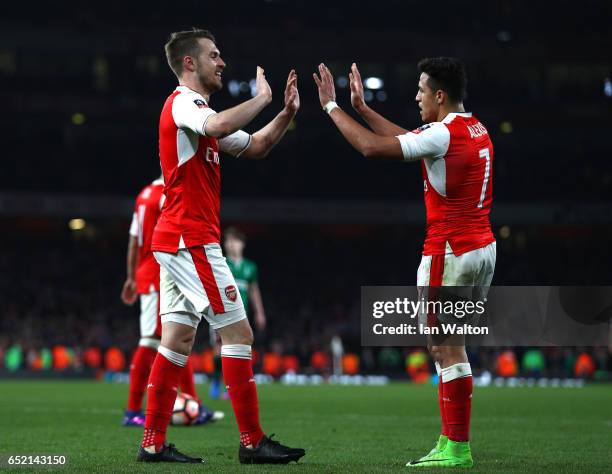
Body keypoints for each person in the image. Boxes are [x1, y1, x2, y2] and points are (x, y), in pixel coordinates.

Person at [313, 58, 496, 468]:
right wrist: (361, 107)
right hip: (482, 247)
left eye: (420, 90)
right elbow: (413, 143)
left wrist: (331, 107)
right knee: (453, 346)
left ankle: (456, 447)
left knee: (443, 347)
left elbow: (371, 147)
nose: (415, 97)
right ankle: (452, 441)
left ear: (440, 96)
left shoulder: (443, 133)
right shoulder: (475, 128)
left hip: (449, 250)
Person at [138, 28, 304, 464]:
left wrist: (285, 112)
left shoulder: (200, 117)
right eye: (215, 55)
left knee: (175, 340)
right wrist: (261, 98)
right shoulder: (185, 105)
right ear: (190, 63)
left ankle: (152, 443)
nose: (222, 61)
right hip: (190, 239)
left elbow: (256, 145)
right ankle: (251, 442)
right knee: (238, 333)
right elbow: (221, 123)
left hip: (176, 240)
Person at [120, 177, 223, 427]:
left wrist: (132, 277)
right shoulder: (169, 194)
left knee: (175, 338)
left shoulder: (144, 194)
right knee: (157, 341)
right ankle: (133, 410)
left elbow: (134, 240)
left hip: (148, 273)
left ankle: (192, 403)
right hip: (161, 272)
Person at [209, 227, 266, 400]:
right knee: (219, 352)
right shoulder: (221, 263)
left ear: (242, 244)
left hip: (242, 314)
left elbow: (254, 290)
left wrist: (260, 312)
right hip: (221, 312)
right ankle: (216, 380)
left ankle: (232, 386)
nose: (231, 244)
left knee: (238, 351)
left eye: (235, 241)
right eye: (228, 241)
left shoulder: (250, 267)